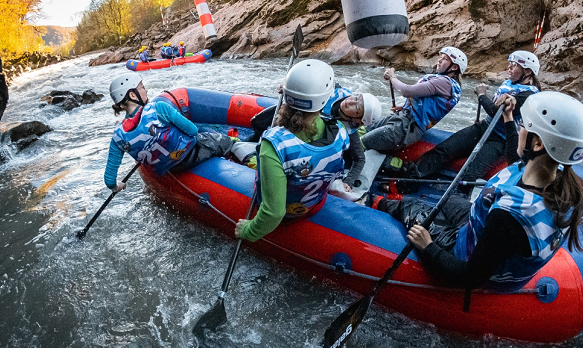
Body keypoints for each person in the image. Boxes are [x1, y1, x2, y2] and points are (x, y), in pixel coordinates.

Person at [374, 91, 583, 307]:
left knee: (412, 207)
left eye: (524, 126)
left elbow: (469, 276)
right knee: (448, 197)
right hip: (477, 228)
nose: (520, 128)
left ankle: (374, 201)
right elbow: (514, 159)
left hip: (462, 253)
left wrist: (427, 246)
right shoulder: (556, 179)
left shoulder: (509, 217)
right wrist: (508, 118)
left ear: (538, 145)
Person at [388, 51, 542, 193]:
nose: (509, 68)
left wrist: (482, 95)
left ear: (527, 72)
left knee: (470, 174)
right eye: (510, 64)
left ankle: (456, 203)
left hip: (501, 141)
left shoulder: (528, 96)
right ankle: (406, 183)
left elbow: (496, 112)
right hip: (484, 127)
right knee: (444, 150)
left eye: (514, 66)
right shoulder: (511, 84)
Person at [235, 60, 351, 242]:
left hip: (288, 214)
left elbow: (273, 213)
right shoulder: (341, 132)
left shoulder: (274, 144)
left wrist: (248, 231)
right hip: (315, 203)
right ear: (326, 99)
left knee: (240, 149)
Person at [104, 73, 237, 192]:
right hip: (190, 153)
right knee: (226, 142)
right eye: (142, 87)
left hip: (169, 169)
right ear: (132, 95)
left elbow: (109, 180)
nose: (146, 90)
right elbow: (192, 130)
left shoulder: (118, 136)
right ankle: (245, 155)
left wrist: (116, 187)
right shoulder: (158, 108)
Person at [249, 86, 382, 188]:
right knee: (257, 123)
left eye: (357, 108)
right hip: (299, 114)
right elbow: (310, 85)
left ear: (357, 120)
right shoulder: (335, 90)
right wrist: (291, 89)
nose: (351, 101)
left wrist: (348, 182)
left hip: (307, 135)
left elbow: (359, 159)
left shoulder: (348, 130)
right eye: (357, 97)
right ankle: (254, 141)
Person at [361, 47, 467, 154]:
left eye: (444, 59)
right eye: (441, 57)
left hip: (406, 128)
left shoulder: (445, 83)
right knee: (362, 130)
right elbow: (426, 103)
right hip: (403, 120)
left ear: (454, 67)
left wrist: (392, 77)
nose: (439, 60)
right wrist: (406, 107)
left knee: (362, 142)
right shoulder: (444, 82)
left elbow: (407, 91)